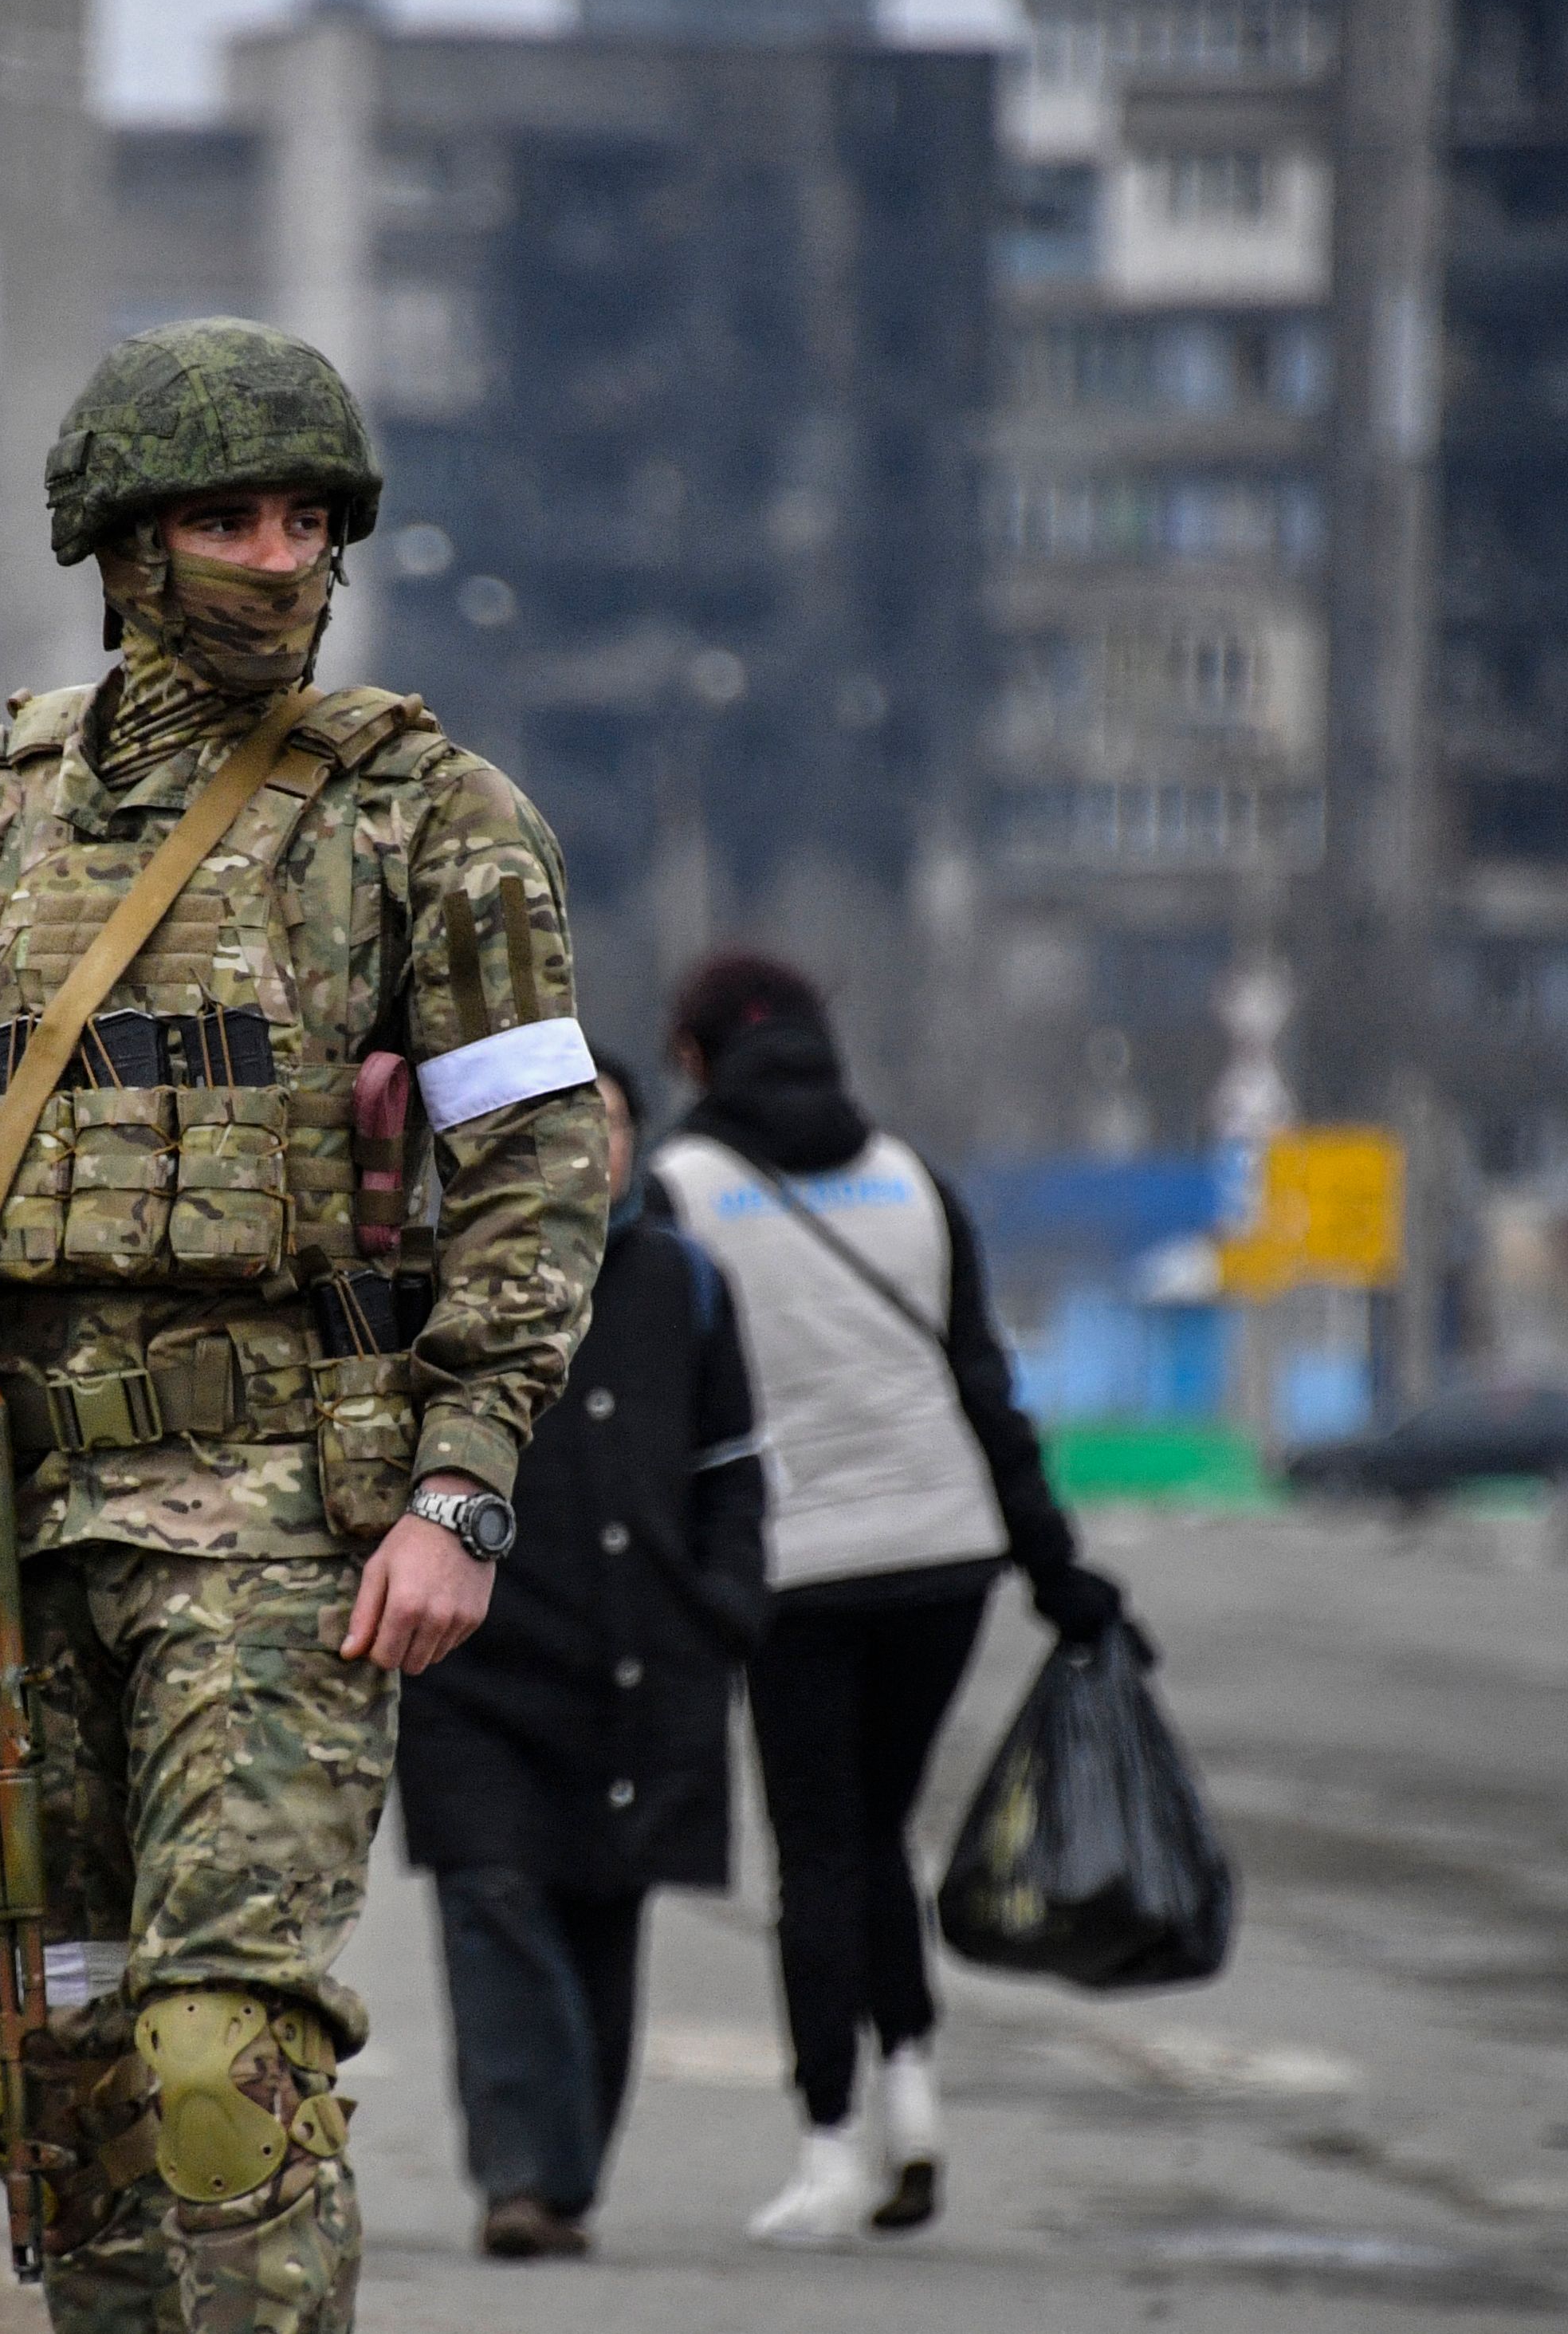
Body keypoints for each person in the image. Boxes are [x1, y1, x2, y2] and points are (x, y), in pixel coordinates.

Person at [0, 316, 608, 2334]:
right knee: (45, 2064)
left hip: (272, 1511)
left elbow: (537, 1173)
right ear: (123, 545)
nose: (275, 553)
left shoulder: (429, 816)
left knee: (216, 2062)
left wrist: (462, 1480)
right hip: (3, 1515)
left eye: (306, 516)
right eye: (226, 514)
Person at [646, 951, 1134, 2247]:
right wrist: (1059, 1573)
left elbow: (663, 1403)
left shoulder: (682, 1191)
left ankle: (829, 2145)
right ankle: (913, 2101)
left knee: (818, 1848)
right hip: (945, 1557)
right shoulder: (914, 1179)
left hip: (794, 1566)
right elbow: (987, 1386)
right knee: (881, 1834)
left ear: (693, 1056)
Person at [398, 1053, 767, 2260]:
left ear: (636, 1144)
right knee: (492, 1895)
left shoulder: (685, 1285)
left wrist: (727, 1605)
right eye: (558, 1127)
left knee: (606, 1916)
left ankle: (564, 2177)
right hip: (479, 1663)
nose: (585, 1149)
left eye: (604, 1125)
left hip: (640, 1665)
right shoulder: (444, 1275)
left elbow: (732, 1471)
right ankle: (523, 2175)